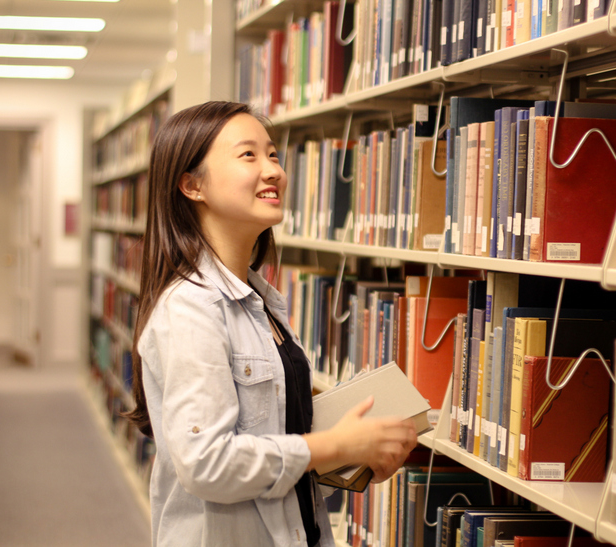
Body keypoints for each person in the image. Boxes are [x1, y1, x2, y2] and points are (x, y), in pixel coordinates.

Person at [125, 101, 419, 547]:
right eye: (249, 155)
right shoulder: (191, 308)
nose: (273, 171)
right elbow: (206, 463)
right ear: (191, 185)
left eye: (274, 155)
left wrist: (358, 454)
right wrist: (335, 446)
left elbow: (273, 448)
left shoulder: (261, 300)